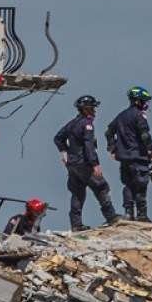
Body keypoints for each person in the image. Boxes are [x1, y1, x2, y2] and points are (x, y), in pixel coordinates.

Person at [53, 95, 119, 231]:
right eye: (93, 108)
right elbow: (89, 146)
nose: (95, 111)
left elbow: (58, 138)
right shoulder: (87, 125)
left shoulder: (72, 123)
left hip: (72, 165)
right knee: (101, 187)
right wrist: (95, 164)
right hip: (84, 164)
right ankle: (111, 217)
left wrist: (64, 152)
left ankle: (76, 225)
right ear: (86, 109)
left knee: (77, 193)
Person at [106, 86, 152, 222]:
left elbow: (109, 132)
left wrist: (112, 149)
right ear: (137, 101)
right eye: (143, 101)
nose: (146, 104)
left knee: (128, 185)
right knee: (141, 186)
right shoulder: (138, 116)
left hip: (124, 159)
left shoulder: (121, 116)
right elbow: (145, 135)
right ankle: (141, 215)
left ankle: (128, 213)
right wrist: (151, 150)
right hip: (138, 157)